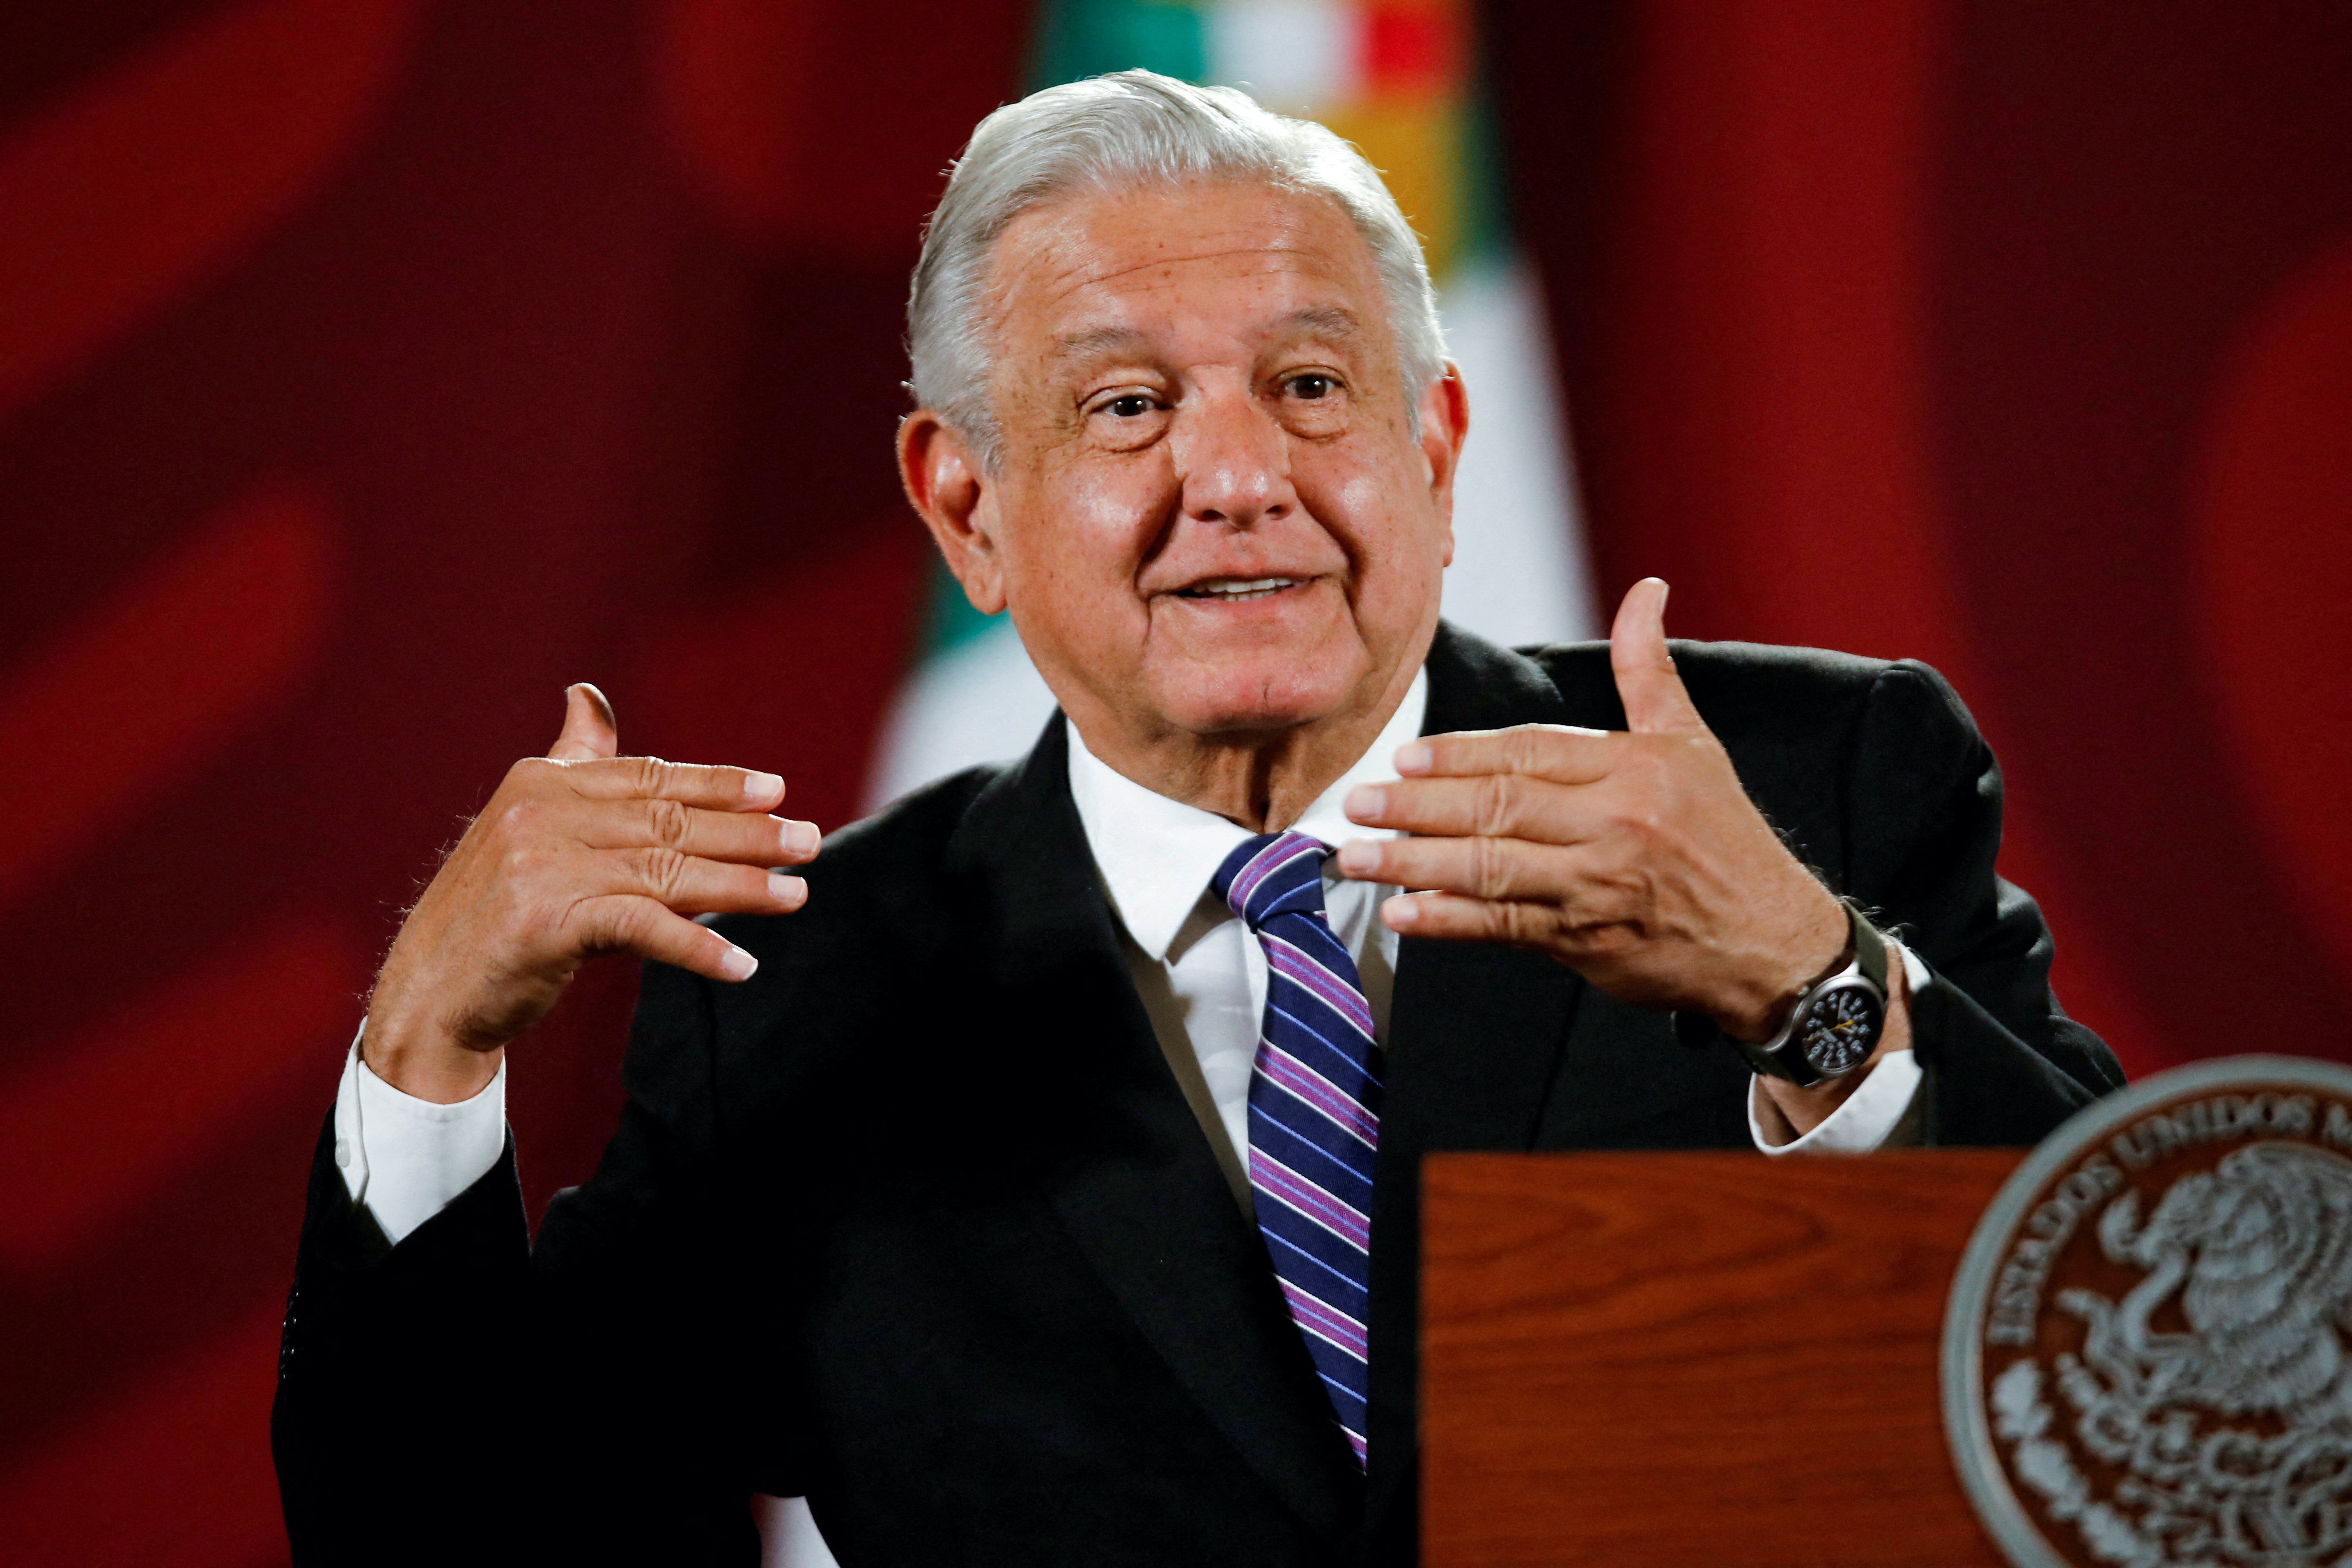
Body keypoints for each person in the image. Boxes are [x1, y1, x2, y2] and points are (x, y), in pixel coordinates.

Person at [272, 70, 2121, 1567]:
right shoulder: (805, 991)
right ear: (966, 507)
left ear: (1438, 445)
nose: (1238, 478)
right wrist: (424, 1048)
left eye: (1312, 386)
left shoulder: (1808, 796)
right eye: (1129, 404)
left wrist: (1813, 986)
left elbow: (2195, 1399)